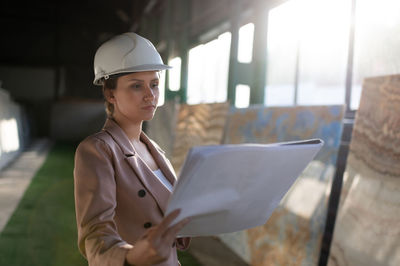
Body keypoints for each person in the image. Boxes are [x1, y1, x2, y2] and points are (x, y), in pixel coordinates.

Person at [73, 32, 191, 266]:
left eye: (155, 84)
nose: (150, 95)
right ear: (110, 93)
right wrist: (132, 256)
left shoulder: (155, 149)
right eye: (137, 86)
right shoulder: (97, 151)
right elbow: (96, 236)